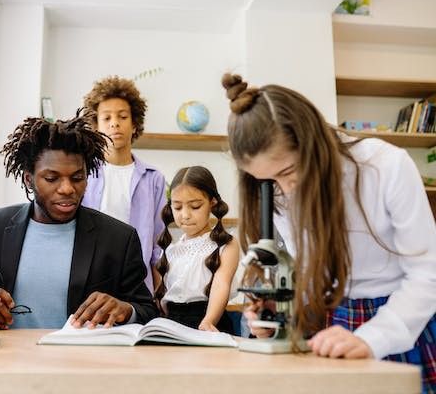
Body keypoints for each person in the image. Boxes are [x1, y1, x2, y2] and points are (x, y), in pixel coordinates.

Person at [222, 74, 436, 392]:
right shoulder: (279, 192)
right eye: (269, 182)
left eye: (288, 172)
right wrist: (277, 318)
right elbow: (310, 274)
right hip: (330, 321)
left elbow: (427, 274)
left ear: (310, 141)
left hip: (402, 321)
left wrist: (372, 338)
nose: (285, 189)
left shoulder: (386, 166)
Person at [0, 111, 157, 330]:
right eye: (52, 178)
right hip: (5, 360)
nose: (67, 189)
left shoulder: (118, 238)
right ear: (28, 179)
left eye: (77, 178)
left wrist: (125, 310)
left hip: (84, 360)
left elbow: (147, 311)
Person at [82, 76, 166, 293]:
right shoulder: (83, 174)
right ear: (95, 126)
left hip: (137, 281)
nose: (114, 123)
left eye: (122, 116)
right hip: (89, 277)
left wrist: (159, 287)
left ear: (134, 123)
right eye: (106, 118)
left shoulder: (153, 178)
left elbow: (158, 240)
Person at [154, 166, 239, 334]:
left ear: (212, 202)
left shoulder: (225, 244)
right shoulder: (170, 250)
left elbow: (221, 285)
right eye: (177, 207)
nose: (185, 215)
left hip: (208, 321)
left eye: (195, 206)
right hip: (172, 325)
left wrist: (209, 321)